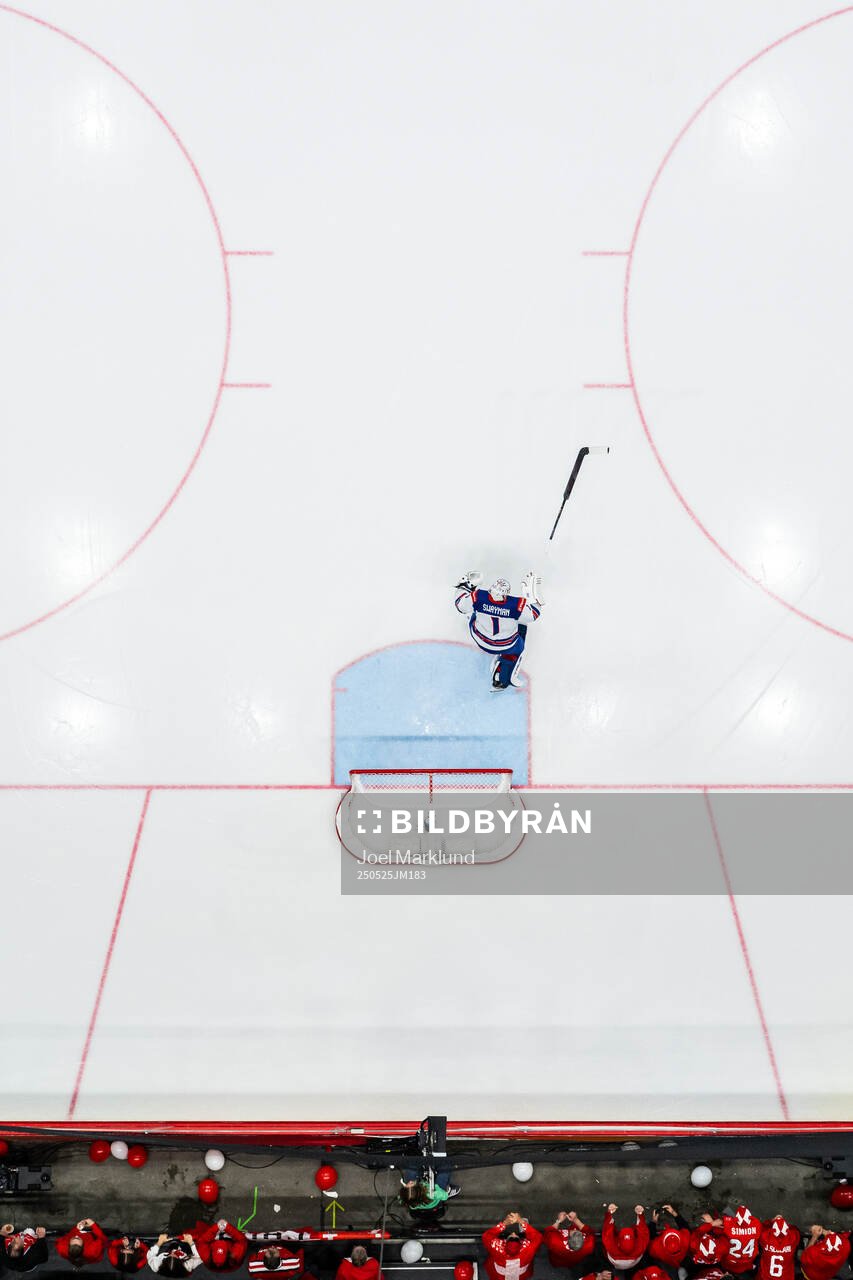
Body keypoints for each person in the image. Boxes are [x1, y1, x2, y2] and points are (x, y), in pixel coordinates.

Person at [454, 571, 543, 690]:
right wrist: (533, 596)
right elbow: (534, 614)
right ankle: (502, 676)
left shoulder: (478, 596)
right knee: (521, 632)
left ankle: (473, 615)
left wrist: (465, 585)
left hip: (480, 639)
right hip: (505, 645)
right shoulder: (516, 604)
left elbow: (460, 605)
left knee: (473, 611)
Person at [482, 1213, 543, 1280]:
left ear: (505, 1244)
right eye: (516, 1238)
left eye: (511, 1238)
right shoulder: (527, 1249)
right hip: (520, 1275)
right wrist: (521, 1222)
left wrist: (504, 1224)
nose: (513, 1233)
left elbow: (486, 1236)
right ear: (521, 1244)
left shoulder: (497, 1249)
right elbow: (538, 1237)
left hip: (499, 1276)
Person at [602, 1205, 649, 1271]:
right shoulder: (639, 1248)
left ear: (618, 1243)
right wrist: (640, 1215)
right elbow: (644, 1233)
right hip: (633, 1261)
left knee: (605, 1246)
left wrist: (609, 1213)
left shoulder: (612, 1247)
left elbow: (607, 1230)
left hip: (616, 1260)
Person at [720, 1206, 762, 1276]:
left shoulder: (730, 1226)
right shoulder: (756, 1224)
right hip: (747, 1261)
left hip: (730, 1262)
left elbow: (723, 1222)